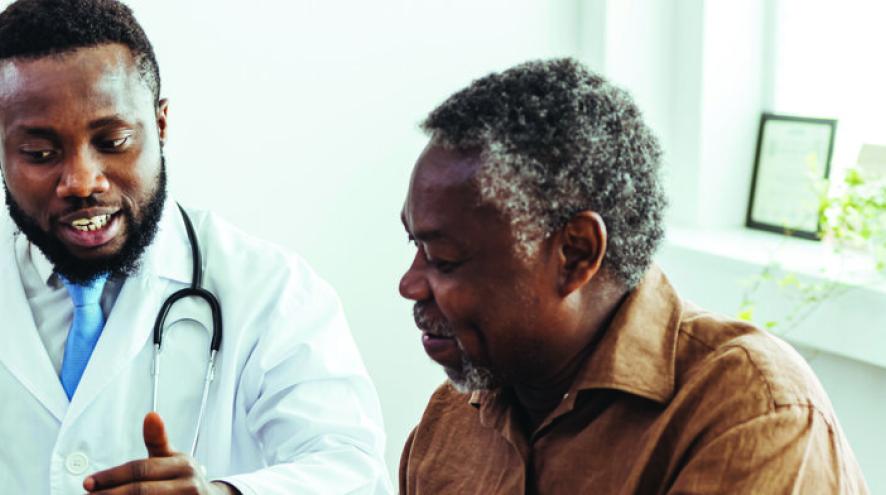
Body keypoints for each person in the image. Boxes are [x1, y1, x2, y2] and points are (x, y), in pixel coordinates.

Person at [397, 58, 868, 494]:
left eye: (445, 260)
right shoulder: (449, 422)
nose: (409, 285)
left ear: (576, 254)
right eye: (414, 245)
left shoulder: (752, 411)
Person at [0, 0, 391, 493]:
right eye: (39, 153)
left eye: (113, 142)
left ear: (161, 125)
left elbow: (354, 471)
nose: (81, 181)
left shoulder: (271, 291)